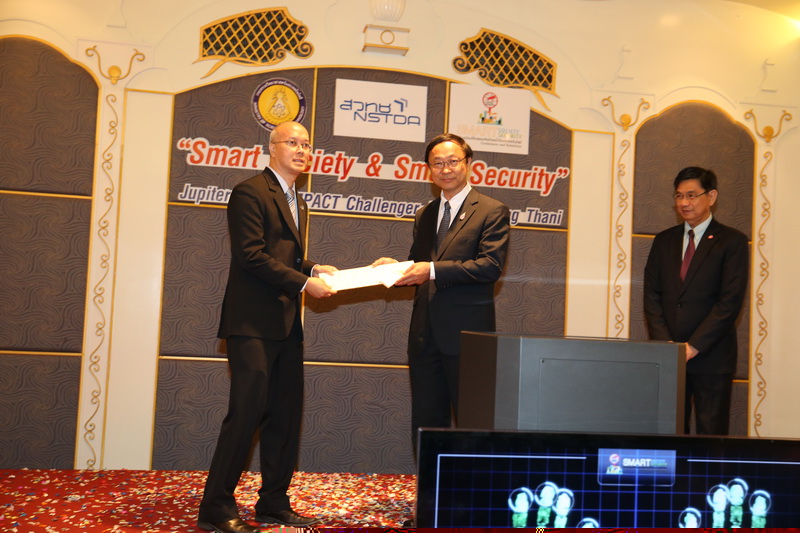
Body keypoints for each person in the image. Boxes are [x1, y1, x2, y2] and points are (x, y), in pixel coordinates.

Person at [197, 121, 337, 533]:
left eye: (307, 144)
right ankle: (216, 507)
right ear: (272, 148)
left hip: (286, 324)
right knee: (246, 414)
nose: (302, 150)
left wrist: (312, 267)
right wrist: (304, 283)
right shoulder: (250, 192)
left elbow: (285, 256)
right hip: (252, 323)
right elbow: (252, 255)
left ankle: (274, 502)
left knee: (285, 416)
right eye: (292, 142)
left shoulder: (298, 200)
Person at [373, 133, 510, 450]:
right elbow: (418, 264)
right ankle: (429, 482)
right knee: (426, 421)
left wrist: (432, 270)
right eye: (437, 163)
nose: (445, 169)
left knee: (473, 421)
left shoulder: (491, 210)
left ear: (468, 163)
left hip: (467, 336)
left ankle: (470, 481)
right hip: (424, 335)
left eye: (452, 161)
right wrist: (394, 268)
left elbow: (489, 266)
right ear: (429, 169)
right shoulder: (425, 214)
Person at [643, 166, 749, 436]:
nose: (684, 203)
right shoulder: (663, 241)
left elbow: (729, 302)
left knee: (710, 435)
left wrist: (693, 346)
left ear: (711, 196)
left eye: (691, 195)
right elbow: (652, 296)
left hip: (712, 356)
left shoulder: (732, 242)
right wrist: (667, 345)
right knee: (670, 433)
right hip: (669, 357)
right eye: (679, 196)